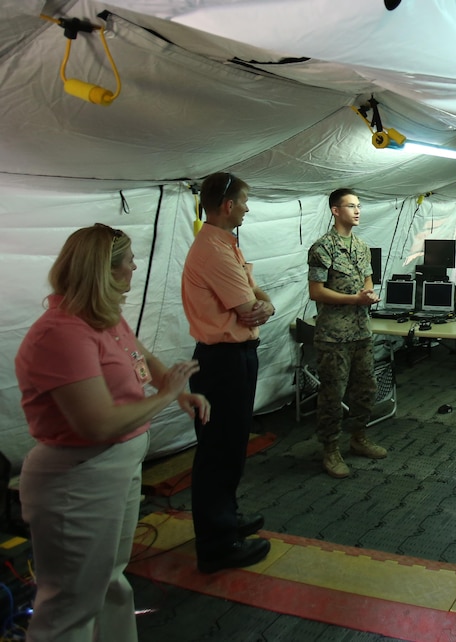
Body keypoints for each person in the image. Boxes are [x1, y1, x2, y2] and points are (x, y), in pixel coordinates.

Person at [14, 224, 210, 641]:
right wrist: (166, 395)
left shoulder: (102, 318)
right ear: (105, 271)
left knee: (109, 579)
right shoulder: (62, 333)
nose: (135, 267)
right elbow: (96, 423)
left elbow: (138, 354)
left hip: (112, 468)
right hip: (79, 477)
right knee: (71, 602)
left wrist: (175, 392)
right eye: (129, 261)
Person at [182, 172, 274, 573]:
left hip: (234, 356)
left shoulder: (224, 244)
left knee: (231, 445)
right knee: (219, 450)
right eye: (245, 201)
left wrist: (264, 304)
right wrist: (259, 304)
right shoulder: (214, 252)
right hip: (222, 360)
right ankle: (217, 545)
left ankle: (226, 518)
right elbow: (246, 306)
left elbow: (260, 298)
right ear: (228, 205)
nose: (248, 208)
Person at [307, 188, 386, 478]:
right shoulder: (322, 248)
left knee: (366, 389)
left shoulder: (362, 247)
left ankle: (359, 438)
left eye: (359, 206)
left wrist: (369, 295)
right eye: (351, 206)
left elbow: (367, 282)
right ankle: (330, 449)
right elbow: (316, 291)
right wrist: (355, 299)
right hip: (334, 336)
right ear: (335, 211)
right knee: (332, 394)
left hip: (360, 331)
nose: (357, 211)